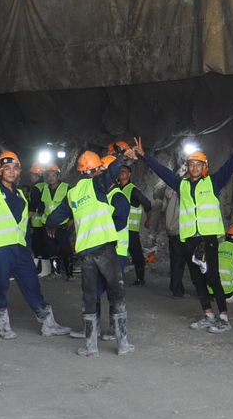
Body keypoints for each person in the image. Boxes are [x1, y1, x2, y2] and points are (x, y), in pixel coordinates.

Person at [126, 129, 233, 332]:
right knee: (196, 278)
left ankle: (224, 319)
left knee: (212, 278)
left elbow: (230, 167)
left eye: (198, 164)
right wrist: (144, 156)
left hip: (208, 238)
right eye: (191, 164)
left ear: (204, 167)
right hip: (188, 240)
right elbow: (162, 171)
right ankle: (208, 315)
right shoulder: (180, 184)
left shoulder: (213, 182)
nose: (194, 167)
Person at [50, 149, 134, 355]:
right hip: (104, 247)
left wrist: (50, 226)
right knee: (116, 291)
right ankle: (122, 344)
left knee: (89, 296)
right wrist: (123, 158)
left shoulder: (72, 193)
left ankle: (90, 346)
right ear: (97, 170)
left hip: (85, 251)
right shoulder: (98, 184)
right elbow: (112, 171)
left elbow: (53, 217)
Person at [0, 152, 71, 340]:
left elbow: (24, 224)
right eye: (7, 168)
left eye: (15, 168)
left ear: (19, 171)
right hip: (1, 248)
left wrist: (29, 248)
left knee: (32, 284)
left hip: (20, 249)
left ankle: (48, 324)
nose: (11, 172)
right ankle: (4, 324)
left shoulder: (21, 194)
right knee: (1, 285)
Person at [111, 161, 148, 285]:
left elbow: (146, 203)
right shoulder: (117, 189)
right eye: (120, 170)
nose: (122, 172)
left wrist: (149, 219)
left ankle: (140, 278)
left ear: (130, 174)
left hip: (131, 228)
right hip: (119, 227)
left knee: (135, 251)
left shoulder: (132, 190)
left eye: (125, 171)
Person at [35, 166, 72, 278]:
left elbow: (73, 207)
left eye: (53, 175)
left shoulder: (67, 188)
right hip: (48, 227)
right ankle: (56, 272)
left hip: (62, 225)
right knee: (51, 249)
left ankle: (68, 274)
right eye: (48, 176)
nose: (51, 178)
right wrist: (47, 223)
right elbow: (41, 208)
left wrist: (70, 223)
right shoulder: (45, 189)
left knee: (65, 249)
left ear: (58, 176)